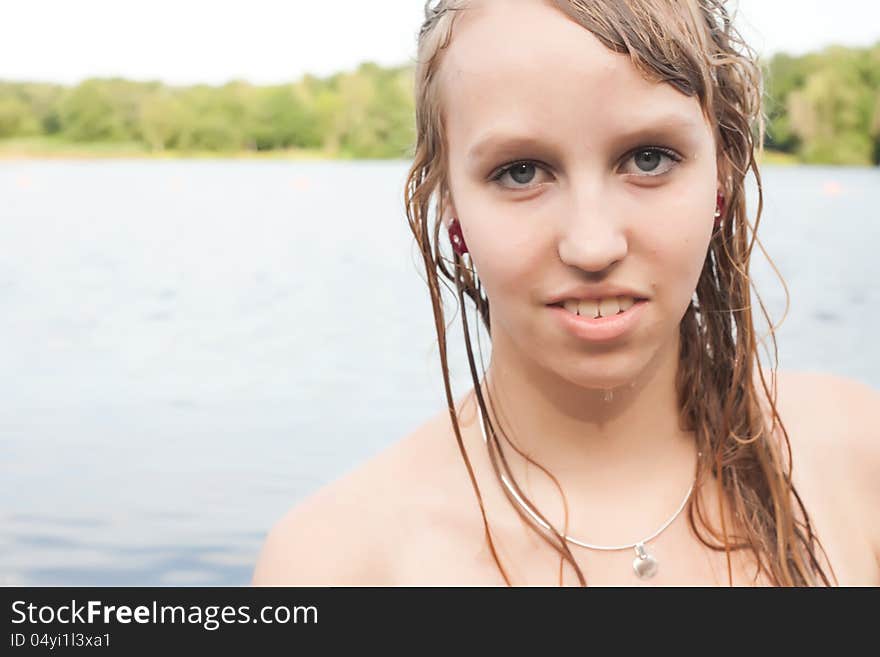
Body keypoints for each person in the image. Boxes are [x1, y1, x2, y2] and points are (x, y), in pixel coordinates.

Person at [252, 0, 879, 586]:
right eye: (520, 171)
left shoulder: (859, 454)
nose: (592, 244)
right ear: (450, 208)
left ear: (722, 175)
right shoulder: (336, 563)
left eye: (650, 159)